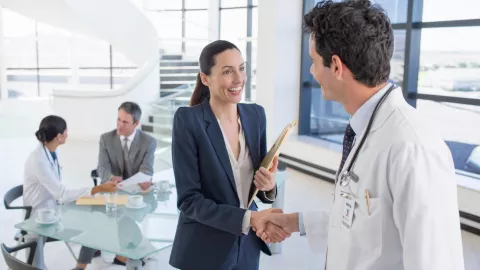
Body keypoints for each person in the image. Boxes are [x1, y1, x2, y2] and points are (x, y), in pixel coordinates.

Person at [253, 1, 465, 270]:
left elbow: (435, 262)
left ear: (337, 67)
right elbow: (362, 221)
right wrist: (296, 222)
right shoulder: (366, 127)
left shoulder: (412, 146)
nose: (311, 72)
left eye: (314, 62)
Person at [169, 40, 288, 270]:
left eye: (241, 68)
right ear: (205, 78)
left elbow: (257, 188)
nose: (239, 79)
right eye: (227, 72)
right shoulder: (188, 121)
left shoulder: (256, 115)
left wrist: (269, 186)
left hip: (247, 248)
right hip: (204, 250)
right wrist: (249, 219)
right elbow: (189, 201)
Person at [23, 115, 118, 269]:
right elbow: (61, 193)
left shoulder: (52, 150)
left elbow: (59, 192)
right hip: (38, 216)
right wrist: (98, 188)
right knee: (36, 266)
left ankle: (81, 266)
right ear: (59, 136)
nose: (68, 134)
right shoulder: (38, 160)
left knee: (96, 216)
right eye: (66, 131)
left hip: (55, 207)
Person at [74, 101, 157, 269]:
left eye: (125, 122)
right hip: (112, 191)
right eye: (118, 119)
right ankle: (82, 265)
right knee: (96, 220)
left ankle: (124, 255)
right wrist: (111, 177)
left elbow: (146, 170)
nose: (119, 125)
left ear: (136, 123)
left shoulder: (148, 141)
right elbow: (102, 167)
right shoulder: (106, 138)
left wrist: (142, 182)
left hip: (136, 194)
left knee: (129, 217)